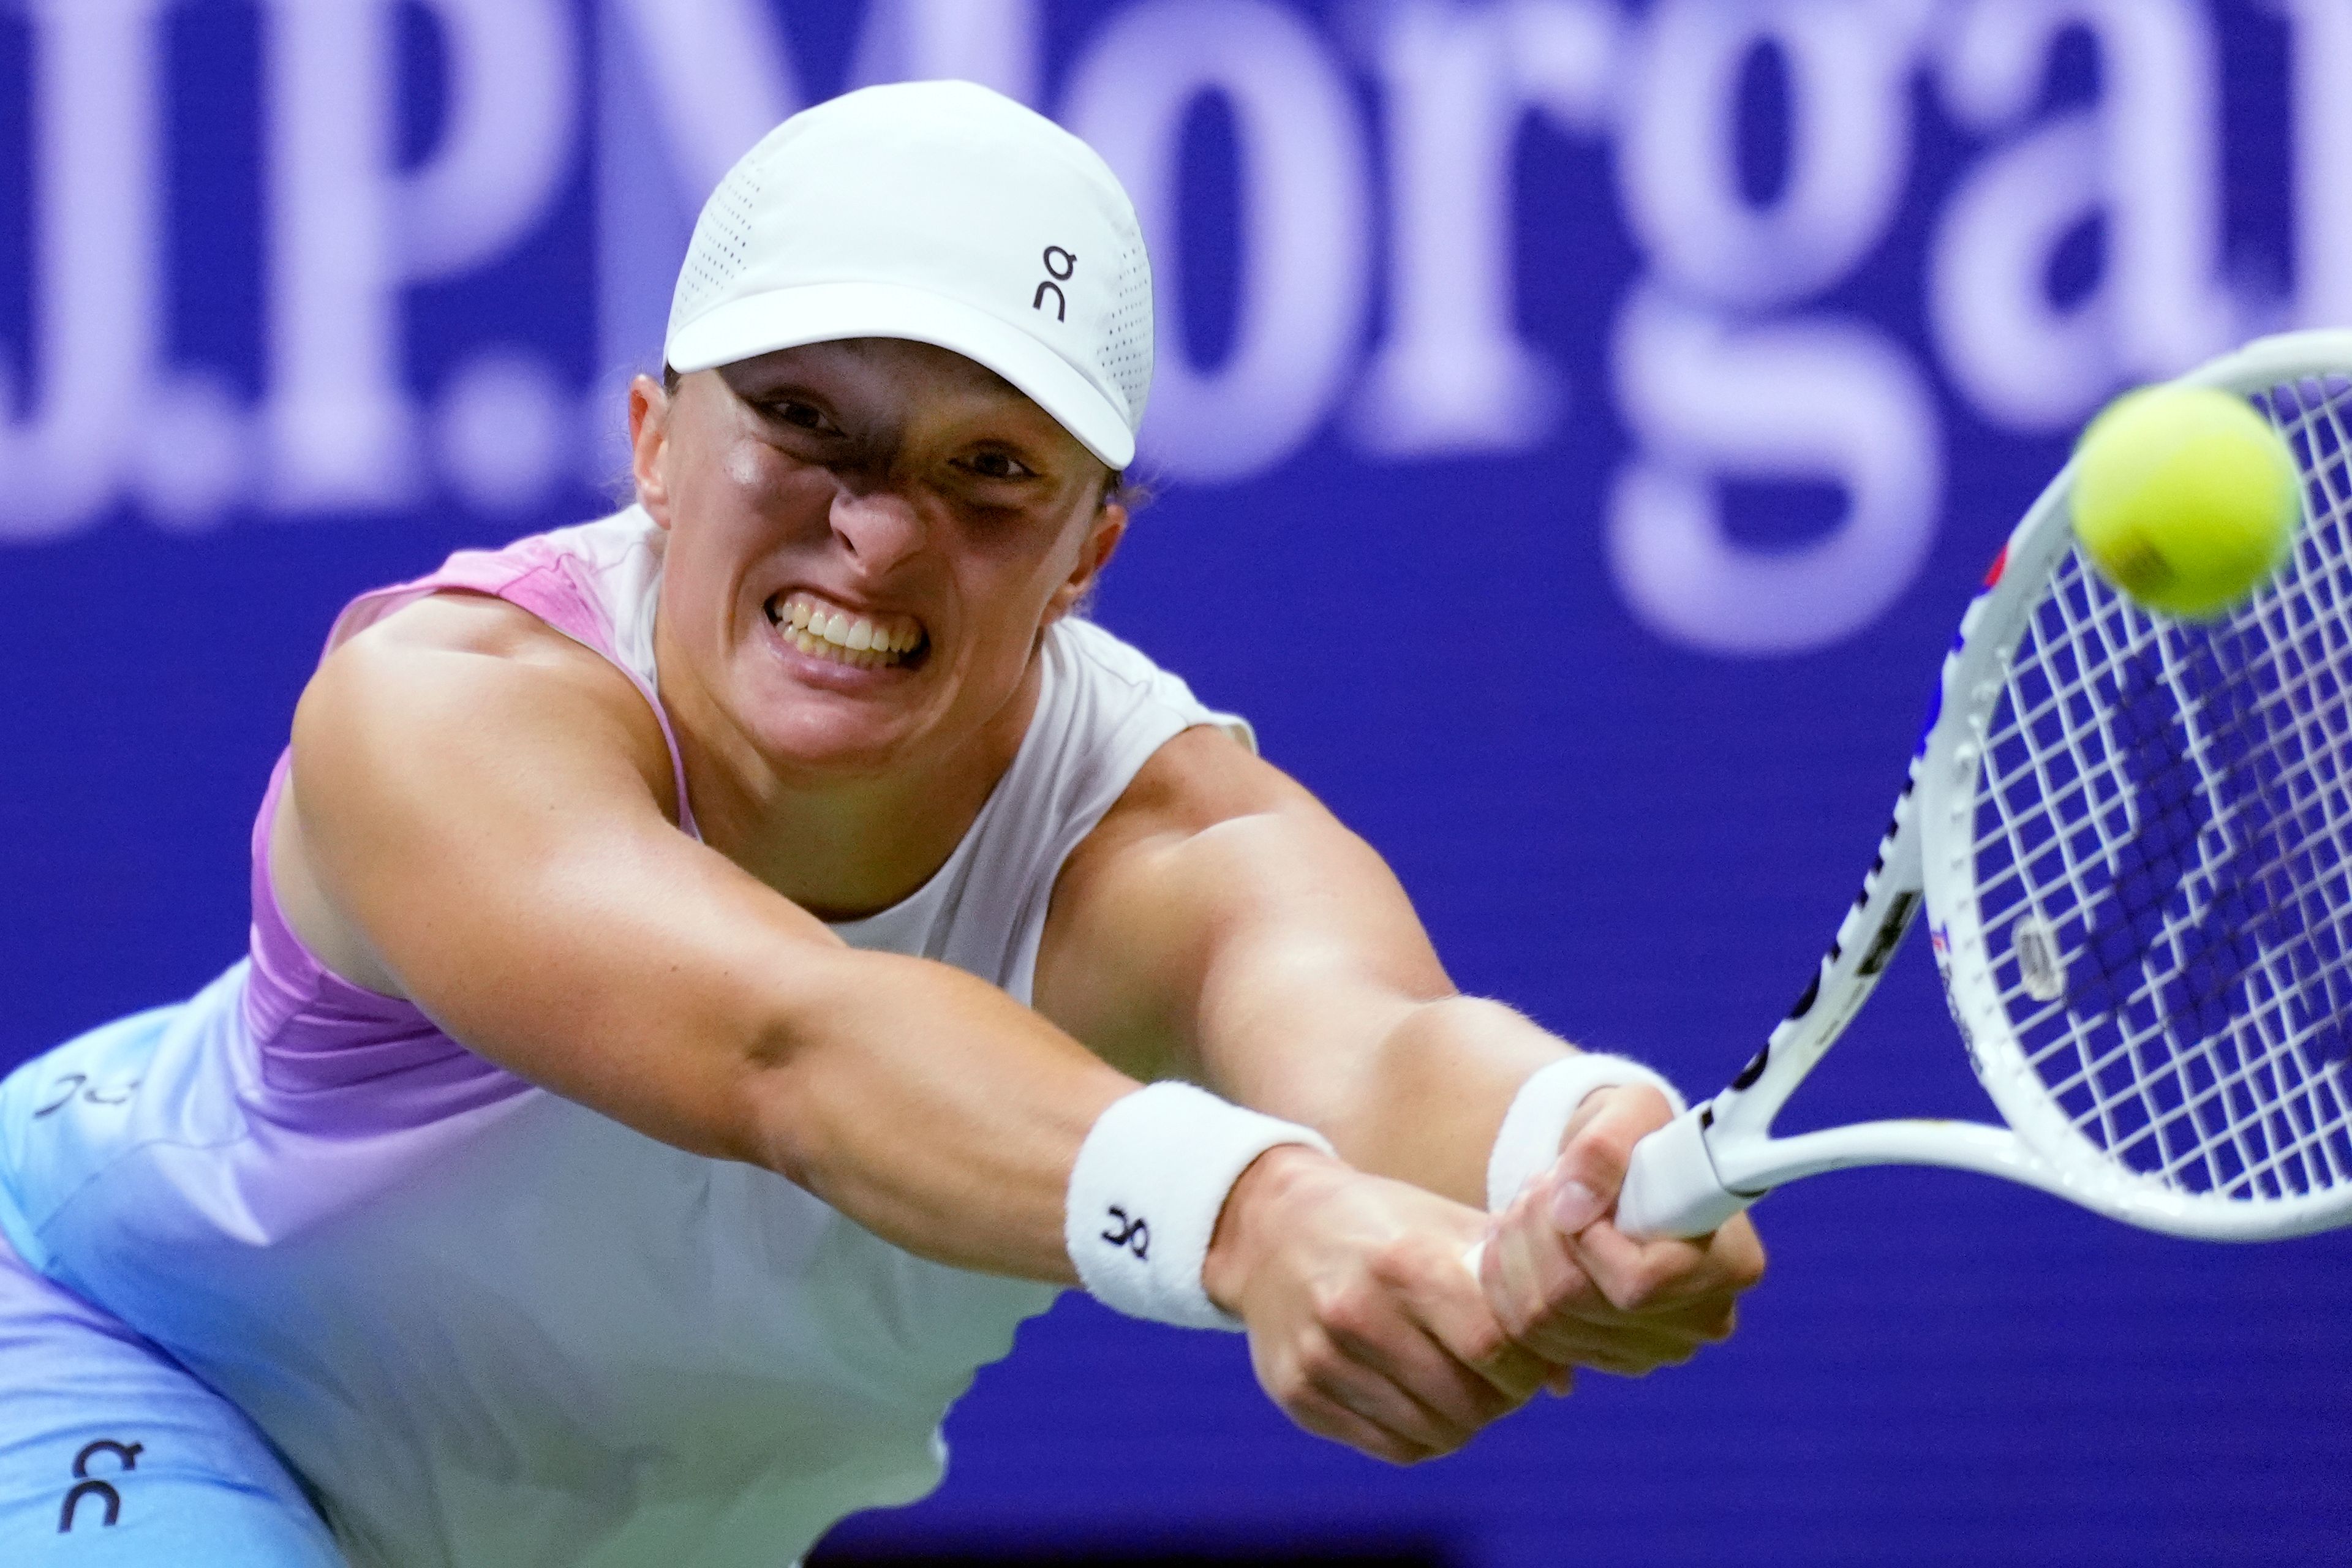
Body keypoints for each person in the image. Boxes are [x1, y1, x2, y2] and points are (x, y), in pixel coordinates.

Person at [0, 81, 1763, 1567]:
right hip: (111, 1354)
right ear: (654, 443)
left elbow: (1380, 1050)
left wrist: (1573, 1149)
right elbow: (792, 1044)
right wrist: (1256, 1219)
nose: (883, 533)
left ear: (1091, 549)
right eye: (803, 422)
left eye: (990, 470)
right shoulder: (443, 707)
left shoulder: (1164, 840)